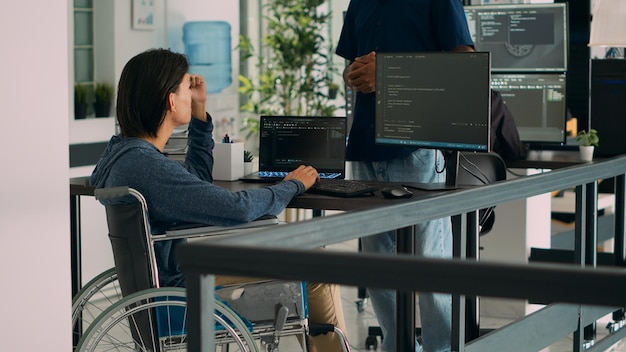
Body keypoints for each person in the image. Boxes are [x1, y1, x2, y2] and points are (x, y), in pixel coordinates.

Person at [90, 48, 347, 351]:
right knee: (319, 266)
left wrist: (200, 114)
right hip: (182, 290)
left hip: (169, 282)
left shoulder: (124, 156)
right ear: (171, 101)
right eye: (187, 88)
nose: (192, 93)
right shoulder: (147, 167)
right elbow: (238, 209)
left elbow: (195, 180)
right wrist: (292, 185)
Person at [336, 1, 475, 351]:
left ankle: (441, 348)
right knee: (378, 269)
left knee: (429, 264)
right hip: (365, 146)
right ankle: (397, 345)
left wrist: (387, 72)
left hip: (415, 144)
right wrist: (354, 74)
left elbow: (464, 65)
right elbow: (351, 67)